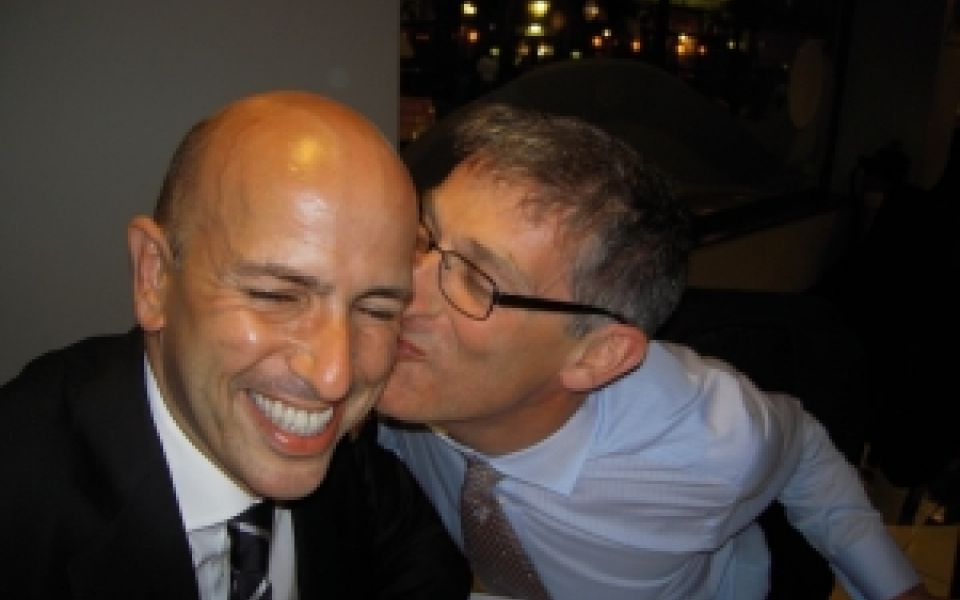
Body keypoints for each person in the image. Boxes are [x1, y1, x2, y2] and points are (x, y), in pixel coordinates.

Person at [376, 103, 938, 600]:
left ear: (595, 357)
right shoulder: (377, 364)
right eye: (424, 236)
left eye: (478, 280)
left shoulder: (708, 438)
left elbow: (804, 452)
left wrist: (895, 587)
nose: (400, 288)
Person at [0, 90, 471, 599]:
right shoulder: (22, 495)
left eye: (376, 310)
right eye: (276, 296)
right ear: (154, 278)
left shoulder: (355, 468)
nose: (334, 378)